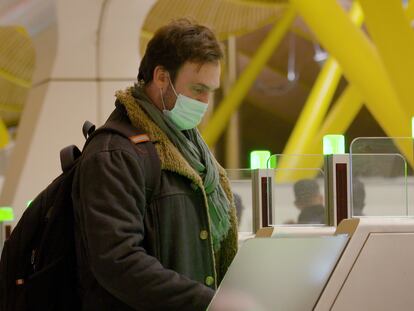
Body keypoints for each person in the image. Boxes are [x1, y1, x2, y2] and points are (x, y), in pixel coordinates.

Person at [72, 19, 238, 311]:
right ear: (162, 77)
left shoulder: (192, 151)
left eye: (210, 91)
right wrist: (207, 302)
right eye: (198, 88)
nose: (205, 101)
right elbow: (117, 260)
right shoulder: (114, 154)